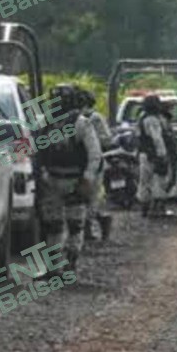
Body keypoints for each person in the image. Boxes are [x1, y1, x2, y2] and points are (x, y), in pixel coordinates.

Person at [36, 84, 102, 272]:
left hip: (66, 181)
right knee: (62, 225)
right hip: (58, 180)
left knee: (65, 226)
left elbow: (94, 155)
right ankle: (62, 265)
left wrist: (87, 179)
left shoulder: (55, 123)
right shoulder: (76, 122)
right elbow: (95, 154)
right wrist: (88, 178)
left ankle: (62, 265)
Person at [77, 88, 113, 242]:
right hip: (85, 163)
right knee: (88, 199)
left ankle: (88, 229)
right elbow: (107, 140)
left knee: (89, 199)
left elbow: (105, 140)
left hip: (90, 162)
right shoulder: (88, 118)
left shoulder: (93, 118)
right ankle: (89, 228)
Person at [136, 94, 170, 217]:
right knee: (159, 180)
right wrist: (162, 155)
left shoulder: (142, 118)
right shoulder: (153, 120)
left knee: (144, 181)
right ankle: (157, 209)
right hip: (154, 154)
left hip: (144, 153)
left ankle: (144, 207)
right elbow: (157, 139)